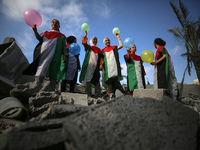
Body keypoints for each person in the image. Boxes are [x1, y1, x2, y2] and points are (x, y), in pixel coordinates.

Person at [23, 19, 67, 93]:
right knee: (41, 69)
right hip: (44, 55)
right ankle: (36, 87)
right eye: (53, 22)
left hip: (56, 56)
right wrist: (35, 31)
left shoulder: (62, 36)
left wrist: (65, 55)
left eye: (56, 23)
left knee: (54, 71)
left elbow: (64, 47)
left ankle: (51, 89)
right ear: (51, 24)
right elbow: (39, 39)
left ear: (59, 26)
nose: (54, 23)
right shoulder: (45, 33)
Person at [79, 31, 103, 98]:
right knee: (88, 80)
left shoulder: (99, 49)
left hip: (96, 67)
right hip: (89, 66)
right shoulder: (88, 47)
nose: (95, 40)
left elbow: (101, 58)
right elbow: (83, 42)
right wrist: (85, 35)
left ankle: (98, 95)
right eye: (94, 39)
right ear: (91, 41)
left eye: (96, 40)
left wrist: (101, 64)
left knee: (97, 80)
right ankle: (88, 94)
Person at [102, 33, 123, 100]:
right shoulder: (102, 51)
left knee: (115, 79)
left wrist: (118, 38)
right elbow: (101, 60)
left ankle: (116, 93)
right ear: (104, 43)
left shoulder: (114, 47)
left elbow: (121, 45)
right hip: (107, 68)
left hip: (115, 67)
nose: (107, 41)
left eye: (108, 40)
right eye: (106, 40)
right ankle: (111, 95)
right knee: (109, 81)